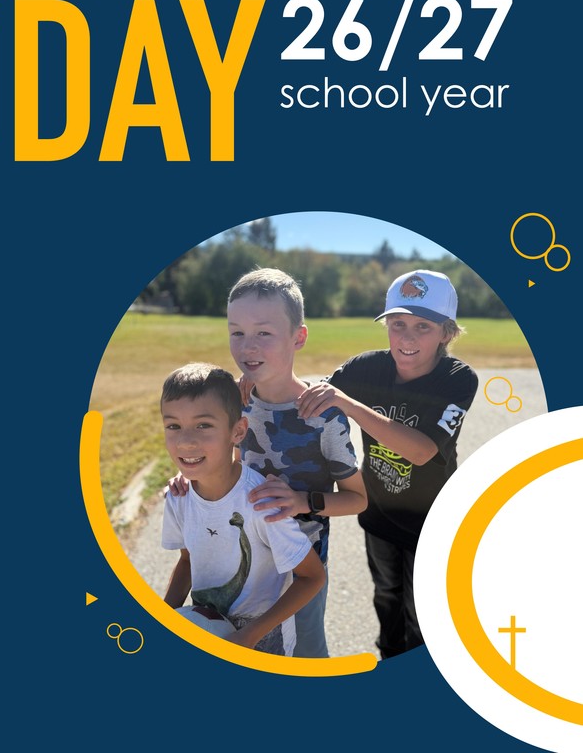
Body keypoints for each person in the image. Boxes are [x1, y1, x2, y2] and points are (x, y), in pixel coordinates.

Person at [169, 268, 368, 658]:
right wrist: (190, 471)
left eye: (263, 332)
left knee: (304, 661)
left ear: (299, 337)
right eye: (237, 332)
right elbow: (225, 458)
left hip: (298, 575)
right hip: (235, 560)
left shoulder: (323, 415)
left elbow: (358, 499)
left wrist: (300, 501)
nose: (248, 347)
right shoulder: (234, 399)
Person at [296, 268, 478, 659]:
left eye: (422, 327)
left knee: (424, 613)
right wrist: (255, 384)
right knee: (387, 595)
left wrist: (347, 403)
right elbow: (312, 397)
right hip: (379, 515)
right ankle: (390, 655)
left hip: (432, 523)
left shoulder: (458, 379)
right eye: (397, 324)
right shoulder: (367, 368)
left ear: (447, 333)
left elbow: (421, 450)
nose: (407, 337)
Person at [160, 362, 326, 656]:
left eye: (203, 425)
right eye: (173, 426)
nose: (186, 441)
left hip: (262, 644)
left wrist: (248, 637)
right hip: (205, 633)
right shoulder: (178, 497)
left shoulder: (261, 502)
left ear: (237, 432)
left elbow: (313, 577)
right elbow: (187, 561)